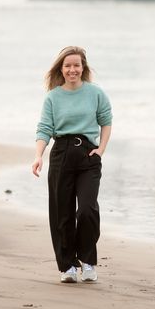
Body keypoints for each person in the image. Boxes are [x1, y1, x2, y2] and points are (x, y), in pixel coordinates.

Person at [32, 46, 112, 283]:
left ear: (83, 67)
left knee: (87, 210)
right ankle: (67, 266)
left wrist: (101, 150)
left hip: (88, 157)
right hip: (61, 156)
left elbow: (106, 121)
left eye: (76, 65)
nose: (72, 70)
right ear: (61, 68)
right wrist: (38, 156)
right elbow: (44, 129)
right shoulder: (53, 97)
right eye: (67, 66)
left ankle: (87, 262)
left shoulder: (95, 93)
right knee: (62, 214)